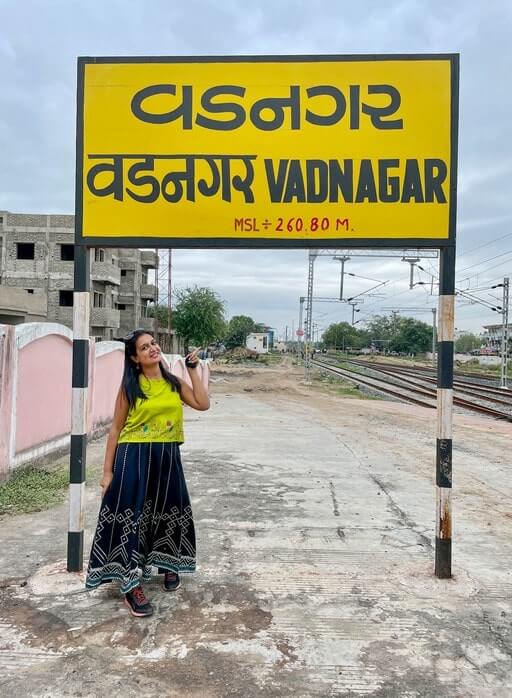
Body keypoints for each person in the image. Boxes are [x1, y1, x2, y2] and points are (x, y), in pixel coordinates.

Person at [85, 329, 209, 617]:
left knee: (170, 509)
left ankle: (168, 563)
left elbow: (202, 403)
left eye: (153, 344)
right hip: (134, 456)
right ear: (135, 358)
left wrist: (193, 370)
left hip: (166, 455)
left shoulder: (173, 382)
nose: (153, 349)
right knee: (133, 515)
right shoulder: (131, 386)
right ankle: (131, 585)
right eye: (144, 347)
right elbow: (115, 429)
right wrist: (107, 472)